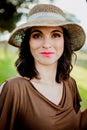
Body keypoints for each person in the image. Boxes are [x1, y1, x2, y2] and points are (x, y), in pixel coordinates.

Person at [0, 3, 87, 130]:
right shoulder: (14, 89)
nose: (46, 44)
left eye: (55, 35)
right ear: (28, 43)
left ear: (64, 41)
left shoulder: (70, 84)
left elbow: (76, 124)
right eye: (37, 35)